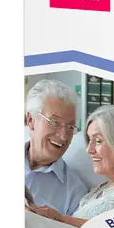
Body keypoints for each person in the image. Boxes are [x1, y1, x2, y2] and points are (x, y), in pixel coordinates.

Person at [28, 105, 114, 228]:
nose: (89, 150)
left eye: (98, 141)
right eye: (89, 140)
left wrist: (60, 219)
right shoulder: (97, 191)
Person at [25, 80, 88, 215]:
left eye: (70, 127)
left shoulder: (74, 193)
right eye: (54, 122)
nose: (63, 136)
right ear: (31, 121)